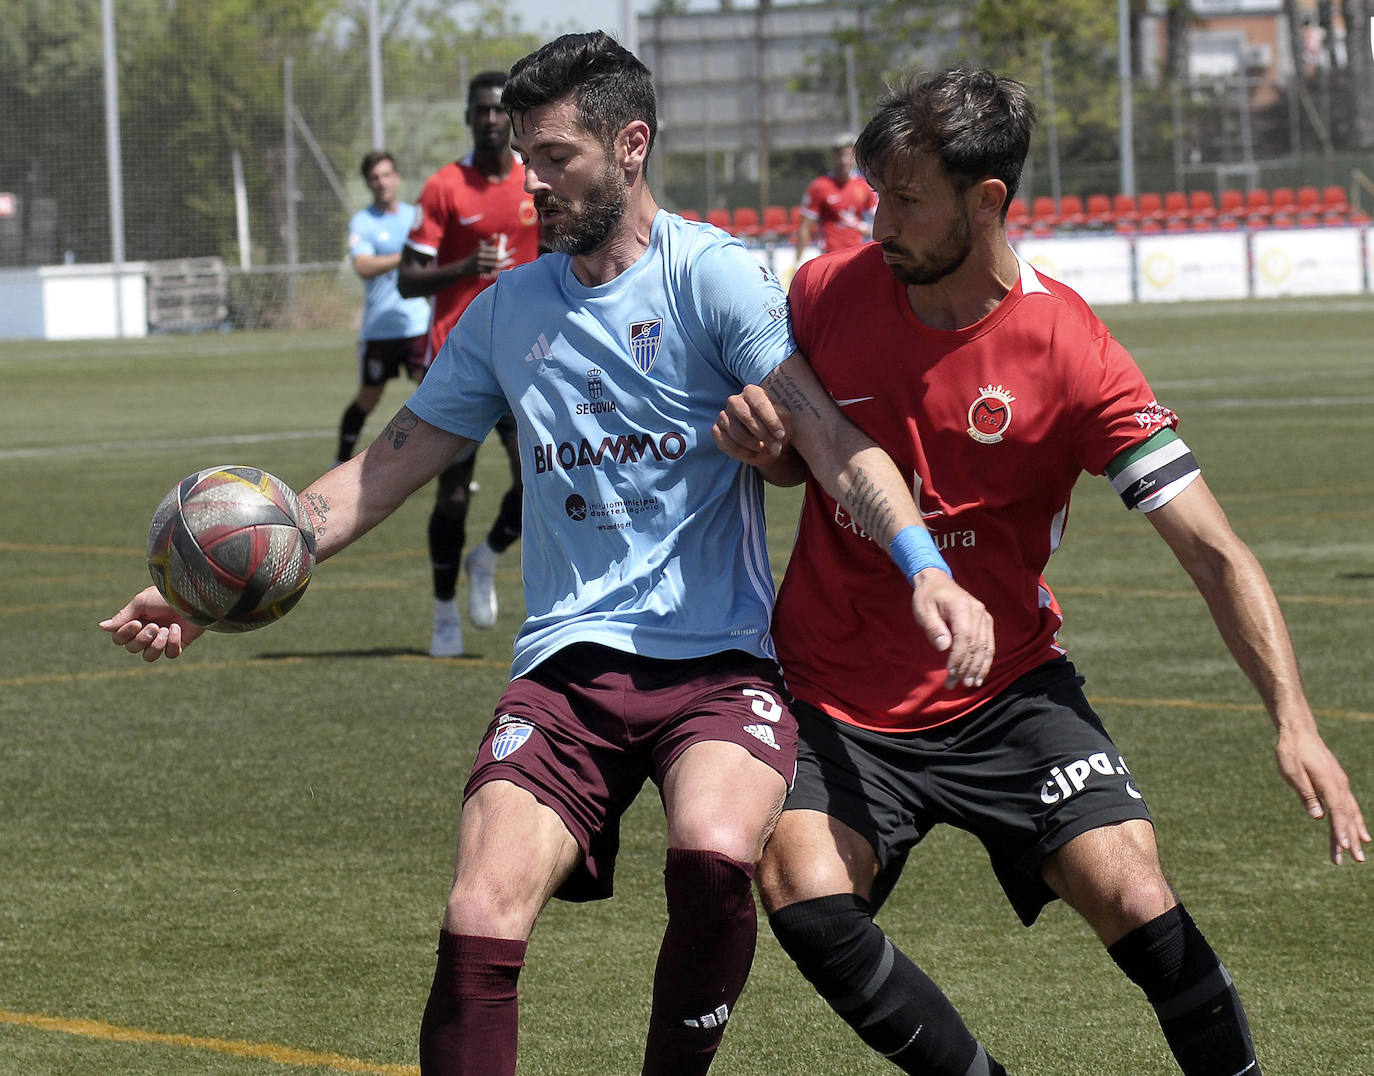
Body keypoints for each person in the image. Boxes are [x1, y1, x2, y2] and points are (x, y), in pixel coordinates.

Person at [99, 34, 994, 1076]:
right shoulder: (505, 313)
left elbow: (834, 445)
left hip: (717, 665)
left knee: (713, 851)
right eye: (522, 153)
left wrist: (925, 564)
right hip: (565, 669)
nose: (529, 179)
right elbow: (379, 473)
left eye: (555, 155)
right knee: (481, 900)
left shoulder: (711, 277)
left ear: (630, 145)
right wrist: (213, 584)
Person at [714, 67, 1369, 1075]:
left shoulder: (1072, 350)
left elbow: (1212, 548)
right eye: (874, 190)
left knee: (1136, 893)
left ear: (987, 203)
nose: (878, 219)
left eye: (906, 196)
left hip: (1008, 687)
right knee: (803, 890)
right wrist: (770, 449)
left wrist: (1293, 717)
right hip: (836, 694)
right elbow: (810, 460)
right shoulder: (823, 292)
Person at [398, 70, 542, 656]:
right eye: (479, 110)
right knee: (452, 494)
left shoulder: (535, 182)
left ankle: (487, 557)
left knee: (539, 477)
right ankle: (442, 612)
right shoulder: (443, 188)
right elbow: (407, 279)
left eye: (497, 110)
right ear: (467, 116)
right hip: (457, 357)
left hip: (527, 353)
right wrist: (464, 267)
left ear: (511, 117)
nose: (488, 119)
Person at [335, 151, 433, 468]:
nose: (382, 183)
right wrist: (407, 255)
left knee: (435, 393)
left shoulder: (414, 216)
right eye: (375, 178)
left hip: (417, 325)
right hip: (380, 329)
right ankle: (340, 459)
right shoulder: (363, 222)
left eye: (387, 175)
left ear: (397, 178)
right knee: (368, 398)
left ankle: (447, 465)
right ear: (368, 183)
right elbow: (363, 266)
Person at [793, 132, 876, 264]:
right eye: (840, 155)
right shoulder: (819, 186)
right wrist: (797, 261)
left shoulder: (864, 186)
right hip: (830, 257)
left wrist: (867, 228)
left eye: (848, 155)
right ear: (833, 157)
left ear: (854, 157)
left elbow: (879, 218)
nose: (844, 160)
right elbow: (805, 227)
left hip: (857, 256)